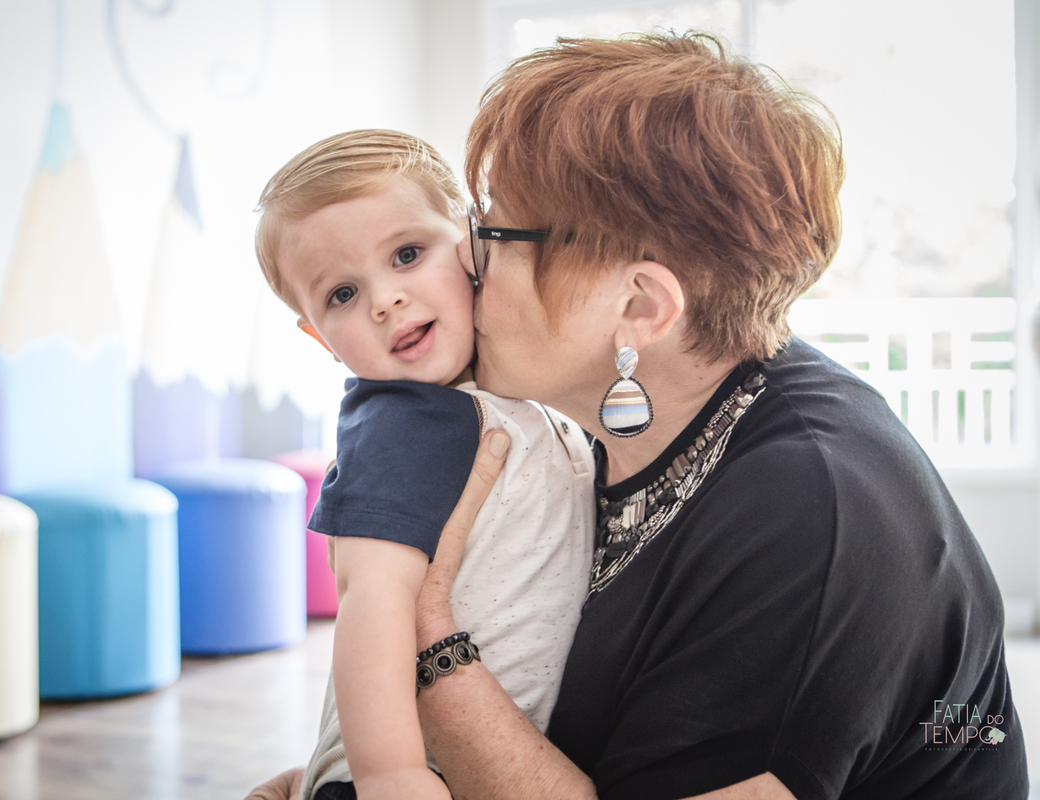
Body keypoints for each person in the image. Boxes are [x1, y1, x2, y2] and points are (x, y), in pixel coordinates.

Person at [249, 31, 1028, 800]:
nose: (467, 262)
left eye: (496, 232)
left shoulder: (809, 516)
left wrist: (431, 650)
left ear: (640, 305)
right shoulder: (600, 421)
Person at [253, 130, 596, 800]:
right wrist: (393, 774)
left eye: (407, 255)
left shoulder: (505, 397)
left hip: (481, 758)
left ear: (472, 240)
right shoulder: (403, 421)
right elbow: (371, 604)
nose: (385, 300)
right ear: (319, 337)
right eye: (343, 296)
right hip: (409, 776)